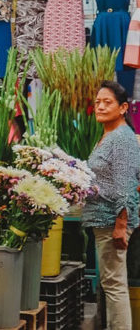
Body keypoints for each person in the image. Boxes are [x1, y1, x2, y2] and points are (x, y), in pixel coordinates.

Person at [84, 81, 139, 329]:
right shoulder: (108, 135)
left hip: (112, 220)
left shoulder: (122, 138)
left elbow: (126, 184)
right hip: (103, 219)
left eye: (107, 102)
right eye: (97, 102)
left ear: (123, 107)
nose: (100, 106)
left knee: (114, 284)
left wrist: (121, 223)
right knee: (110, 282)